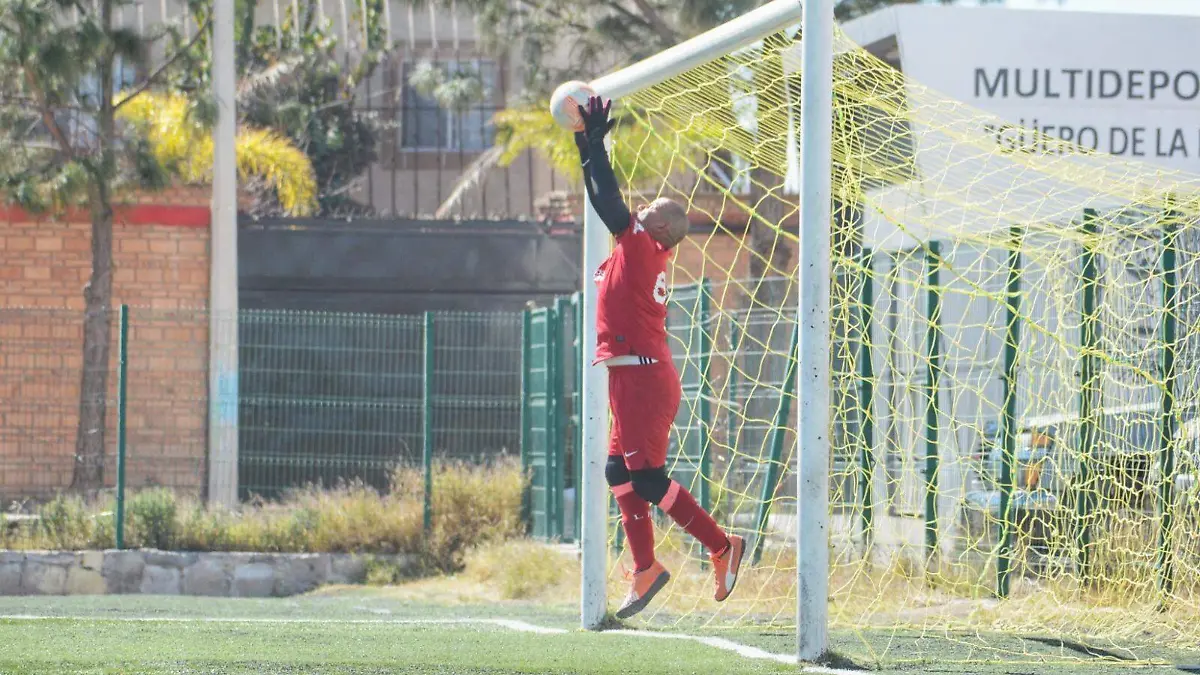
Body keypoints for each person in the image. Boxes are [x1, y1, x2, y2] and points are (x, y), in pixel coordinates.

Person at [574, 95, 744, 620]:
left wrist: (591, 142)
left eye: (650, 211)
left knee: (647, 480)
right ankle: (646, 567)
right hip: (631, 378)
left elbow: (605, 198)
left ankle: (721, 545)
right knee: (616, 473)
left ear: (662, 230)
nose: (640, 209)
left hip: (645, 380)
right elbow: (606, 199)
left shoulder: (643, 245)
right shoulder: (636, 247)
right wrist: (588, 144)